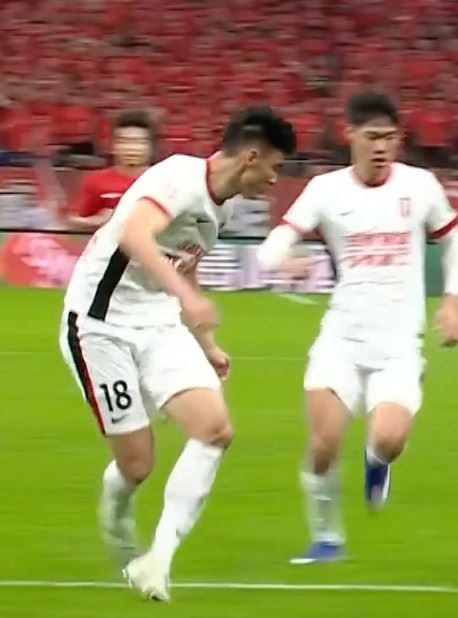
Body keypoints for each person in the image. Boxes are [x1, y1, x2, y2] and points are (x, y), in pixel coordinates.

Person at [58, 106, 296, 601]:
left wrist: (206, 344)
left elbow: (185, 265)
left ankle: (157, 562)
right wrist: (187, 297)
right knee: (137, 465)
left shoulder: (221, 208)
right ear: (251, 157)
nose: (275, 179)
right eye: (275, 167)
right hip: (99, 327)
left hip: (159, 324)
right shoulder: (178, 177)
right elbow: (133, 235)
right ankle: (117, 515)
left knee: (215, 430)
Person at [255, 91, 458, 564]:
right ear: (349, 134)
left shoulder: (420, 186)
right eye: (372, 137)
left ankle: (378, 461)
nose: (381, 147)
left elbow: (454, 239)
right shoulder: (326, 190)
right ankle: (327, 539)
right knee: (324, 444)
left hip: (398, 344)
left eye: (390, 138)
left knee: (388, 440)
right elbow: (271, 248)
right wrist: (283, 262)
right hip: (342, 339)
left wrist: (453, 300)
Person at [67, 110, 154, 231]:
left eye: (139, 142)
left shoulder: (165, 180)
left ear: (150, 147)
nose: (132, 148)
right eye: (124, 142)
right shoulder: (96, 181)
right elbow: (72, 221)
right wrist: (98, 221)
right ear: (113, 146)